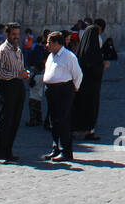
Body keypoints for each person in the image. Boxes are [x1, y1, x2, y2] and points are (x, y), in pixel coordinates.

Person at [0, 24, 30, 163]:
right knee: (5, 120)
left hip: (18, 86)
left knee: (15, 120)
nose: (16, 37)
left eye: (17, 34)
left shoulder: (18, 50)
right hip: (6, 87)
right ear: (7, 34)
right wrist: (16, 74)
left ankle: (8, 151)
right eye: (13, 34)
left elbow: (20, 68)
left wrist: (24, 74)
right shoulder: (1, 51)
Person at [42, 30, 82, 161]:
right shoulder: (50, 56)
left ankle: (66, 151)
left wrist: (75, 87)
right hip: (51, 90)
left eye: (48, 43)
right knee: (53, 121)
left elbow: (77, 74)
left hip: (63, 90)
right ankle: (56, 148)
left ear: (56, 43)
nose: (46, 45)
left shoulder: (68, 56)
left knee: (63, 120)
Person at [73, 19, 105, 139]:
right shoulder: (94, 52)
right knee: (91, 108)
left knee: (79, 107)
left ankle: (76, 129)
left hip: (81, 87)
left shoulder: (81, 52)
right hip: (92, 88)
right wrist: (102, 66)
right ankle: (89, 130)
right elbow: (95, 68)